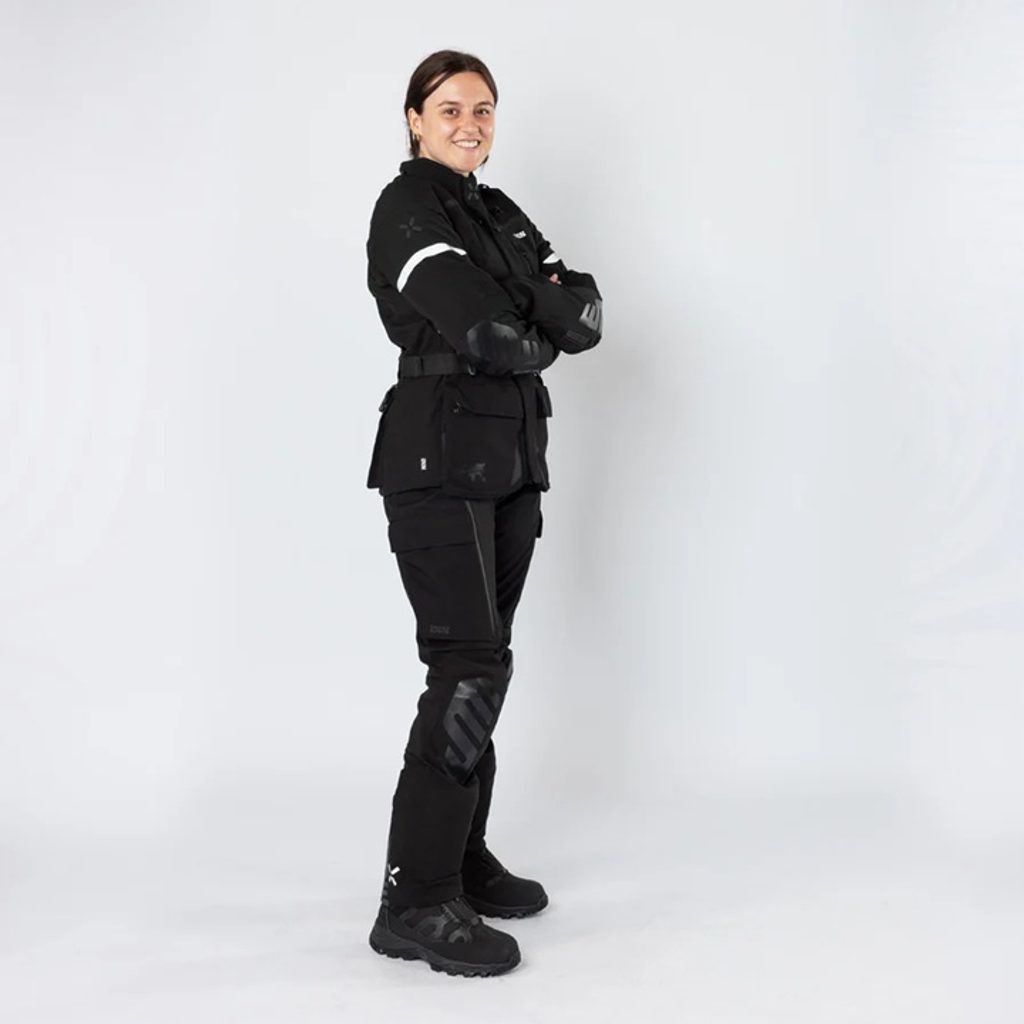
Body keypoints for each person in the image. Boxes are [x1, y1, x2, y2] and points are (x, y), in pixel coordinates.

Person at [364, 49, 602, 977]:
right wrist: (532, 308)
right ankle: (415, 900)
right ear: (415, 119)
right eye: (451, 108)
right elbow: (493, 332)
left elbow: (585, 317)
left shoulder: (497, 211)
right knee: (466, 668)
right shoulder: (406, 209)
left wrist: (531, 308)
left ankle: (459, 859)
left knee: (487, 663)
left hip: (509, 459)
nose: (470, 123)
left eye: (485, 109)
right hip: (435, 461)